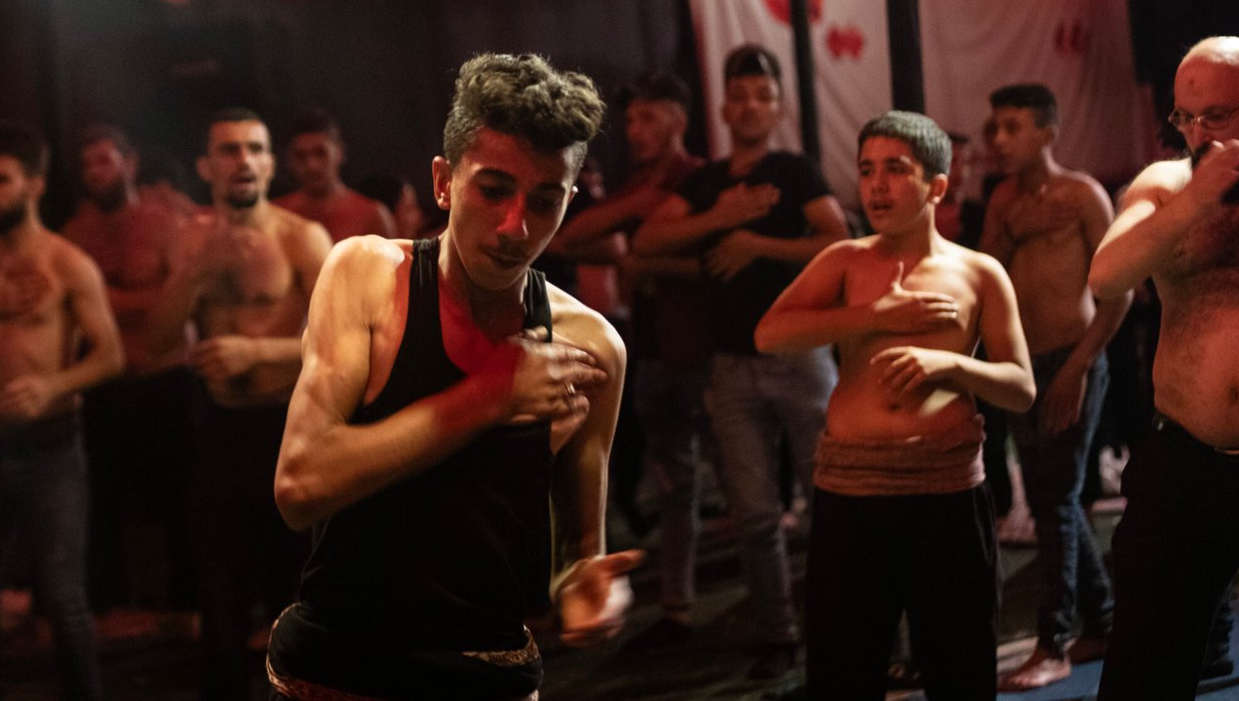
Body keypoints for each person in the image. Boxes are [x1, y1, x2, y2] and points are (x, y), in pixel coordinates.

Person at [268, 53, 639, 701]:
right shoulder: (367, 274)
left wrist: (584, 587)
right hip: (337, 671)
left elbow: (581, 550)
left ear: (569, 201)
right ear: (443, 182)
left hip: (487, 675)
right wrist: (488, 395)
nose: (516, 227)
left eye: (544, 200)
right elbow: (300, 485)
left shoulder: (590, 347)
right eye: (493, 190)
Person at [756, 110, 1035, 700]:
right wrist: (872, 316)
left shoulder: (979, 273)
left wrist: (950, 366)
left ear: (937, 185)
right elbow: (770, 334)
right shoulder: (846, 260)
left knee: (960, 667)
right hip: (853, 491)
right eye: (866, 170)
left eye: (896, 170)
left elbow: (1020, 386)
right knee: (842, 670)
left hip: (945, 491)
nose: (877, 185)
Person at [1089, 37, 1239, 700]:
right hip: (1184, 461)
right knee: (1143, 671)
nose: (1200, 134)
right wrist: (1196, 200)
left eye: (1217, 115)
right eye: (1186, 118)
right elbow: (1105, 277)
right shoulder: (1163, 187)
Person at [631, 44, 848, 678]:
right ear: (723, 108)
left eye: (763, 96)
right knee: (754, 516)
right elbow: (647, 239)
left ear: (778, 109)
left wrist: (755, 241)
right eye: (740, 96)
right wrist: (720, 217)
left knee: (832, 506)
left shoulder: (794, 171)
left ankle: (844, 631)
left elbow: (838, 240)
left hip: (801, 357)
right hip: (730, 366)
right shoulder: (707, 183)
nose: (751, 106)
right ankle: (778, 633)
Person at [0, 122, 124, 701]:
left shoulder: (67, 263)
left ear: (35, 185)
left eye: (0, 180)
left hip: (50, 449)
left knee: (63, 600)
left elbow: (111, 355)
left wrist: (53, 385)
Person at [145, 108, 332, 700]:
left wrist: (258, 352)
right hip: (218, 428)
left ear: (271, 164)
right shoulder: (187, 239)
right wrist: (191, 276)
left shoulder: (301, 237)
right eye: (228, 150)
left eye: (254, 148)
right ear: (206, 167)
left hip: (289, 426)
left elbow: (345, 345)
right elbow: (154, 343)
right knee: (219, 598)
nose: (243, 160)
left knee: (298, 594)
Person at [978, 84, 1130, 690]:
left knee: (1058, 500)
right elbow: (983, 274)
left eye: (1012, 127)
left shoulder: (1083, 194)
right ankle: (1105, 623)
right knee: (1050, 499)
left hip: (1074, 360)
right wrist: (1015, 230)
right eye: (995, 128)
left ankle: (1053, 642)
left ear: (1047, 133)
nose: (999, 140)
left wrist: (1078, 368)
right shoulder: (1002, 201)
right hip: (1024, 366)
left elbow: (1119, 293)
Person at [557, 69, 711, 647]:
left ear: (679, 120)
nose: (634, 129)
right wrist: (635, 233)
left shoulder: (700, 180)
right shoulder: (637, 186)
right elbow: (570, 236)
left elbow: (719, 266)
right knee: (674, 488)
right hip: (651, 351)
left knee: (749, 498)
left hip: (704, 350)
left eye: (648, 117)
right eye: (630, 120)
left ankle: (781, 619)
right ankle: (678, 609)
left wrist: (647, 256)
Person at [62, 124, 193, 619]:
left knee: (179, 499)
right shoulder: (75, 235)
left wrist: (105, 299)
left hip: (166, 378)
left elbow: (175, 300)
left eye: (104, 160)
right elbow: (70, 311)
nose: (96, 172)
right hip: (106, 383)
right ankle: (111, 605)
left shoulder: (165, 223)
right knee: (103, 502)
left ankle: (187, 601)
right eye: (87, 165)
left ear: (129, 164)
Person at [276, 108, 397, 242]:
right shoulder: (276, 214)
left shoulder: (371, 216)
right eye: (300, 156)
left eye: (320, 153)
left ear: (339, 152)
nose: (311, 165)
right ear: (289, 160)